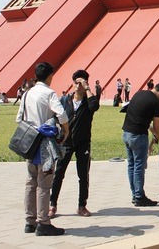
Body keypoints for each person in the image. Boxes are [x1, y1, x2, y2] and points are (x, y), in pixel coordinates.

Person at [17, 62, 69, 236]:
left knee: (30, 181)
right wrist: (66, 130)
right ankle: (43, 222)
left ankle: (29, 221)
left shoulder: (27, 93)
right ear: (50, 76)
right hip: (45, 144)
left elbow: (19, 118)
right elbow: (61, 114)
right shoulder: (48, 93)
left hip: (29, 142)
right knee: (44, 183)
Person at [50, 69, 99, 218]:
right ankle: (52, 204)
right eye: (76, 83)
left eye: (82, 83)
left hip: (83, 142)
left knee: (83, 175)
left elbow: (94, 107)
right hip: (66, 142)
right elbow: (55, 116)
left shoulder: (89, 100)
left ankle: (81, 205)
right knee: (58, 174)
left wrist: (88, 88)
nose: (78, 86)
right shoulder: (65, 100)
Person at [121, 81, 159, 207]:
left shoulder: (139, 93)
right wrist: (157, 136)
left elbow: (136, 114)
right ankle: (139, 196)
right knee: (139, 166)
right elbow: (156, 125)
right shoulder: (156, 103)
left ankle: (134, 194)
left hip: (126, 133)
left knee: (131, 165)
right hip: (138, 136)